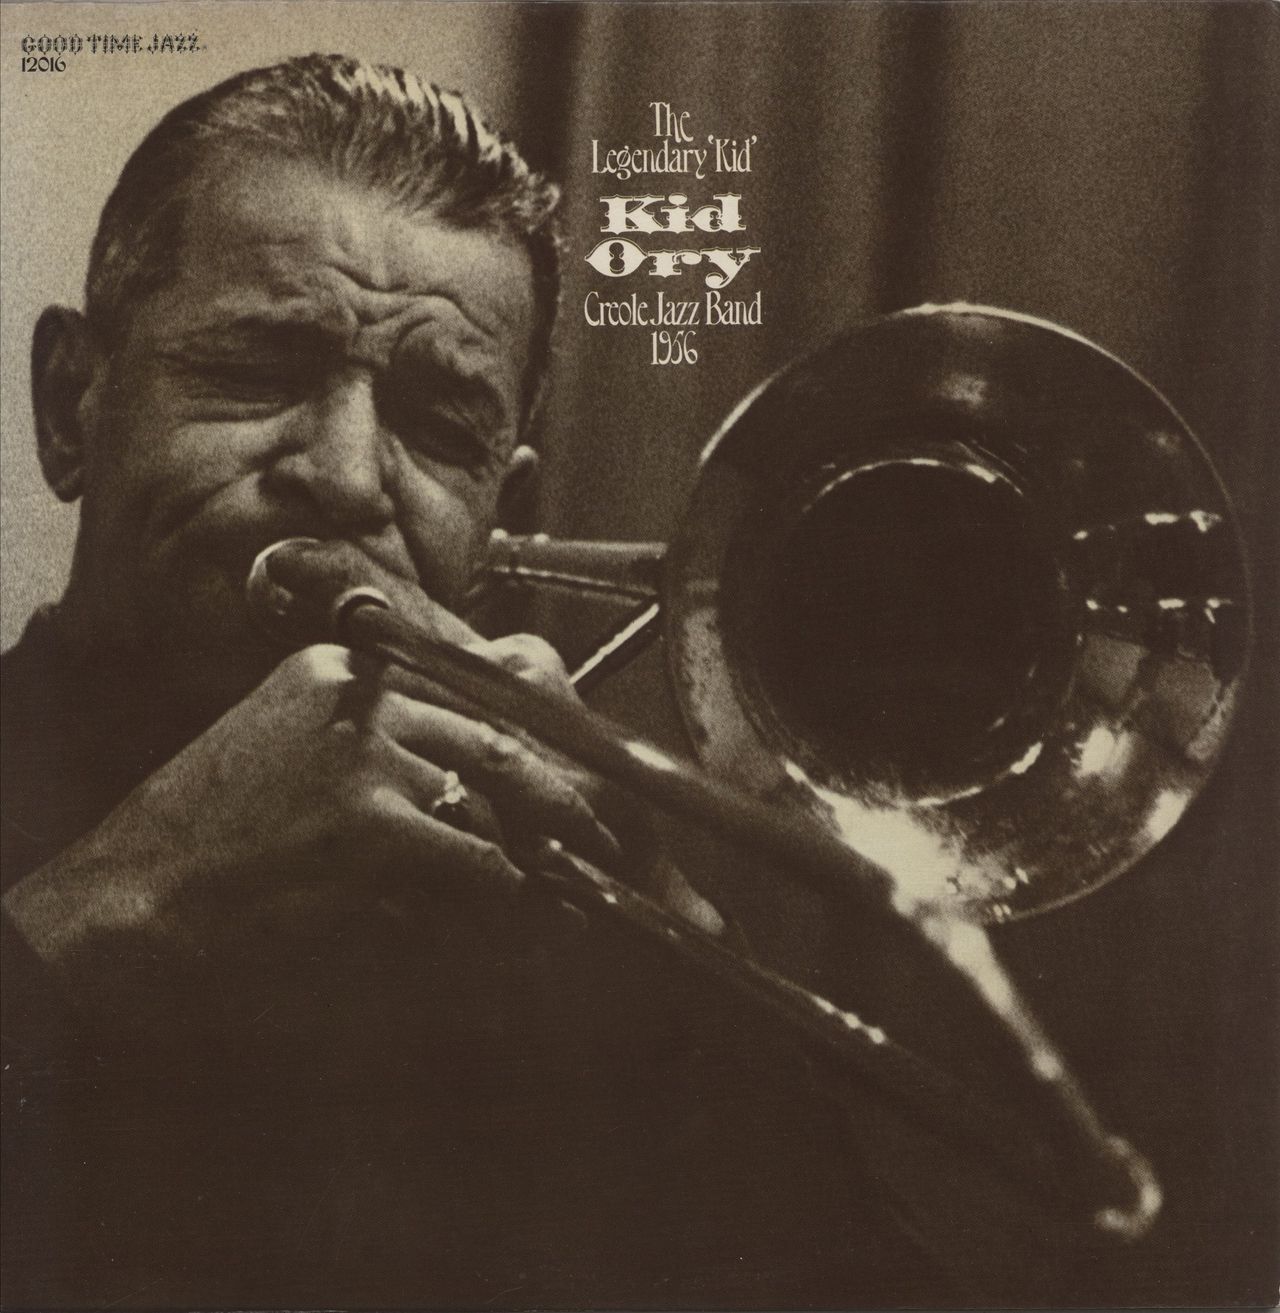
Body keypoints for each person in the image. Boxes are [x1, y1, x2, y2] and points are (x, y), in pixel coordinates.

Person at [1, 54, 944, 1310]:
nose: (347, 477)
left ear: (500, 510)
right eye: (260, 371)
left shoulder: (529, 908)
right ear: (71, 405)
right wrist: (129, 900)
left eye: (439, 423)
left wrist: (680, 990)